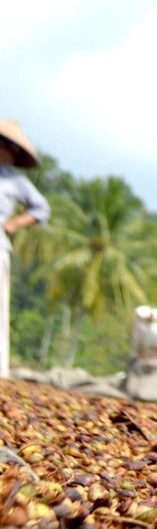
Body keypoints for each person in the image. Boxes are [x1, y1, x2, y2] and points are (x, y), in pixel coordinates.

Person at [0, 120, 51, 381]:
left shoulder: (16, 181)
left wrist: (15, 223)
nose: (5, 150)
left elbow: (42, 208)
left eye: (9, 147)